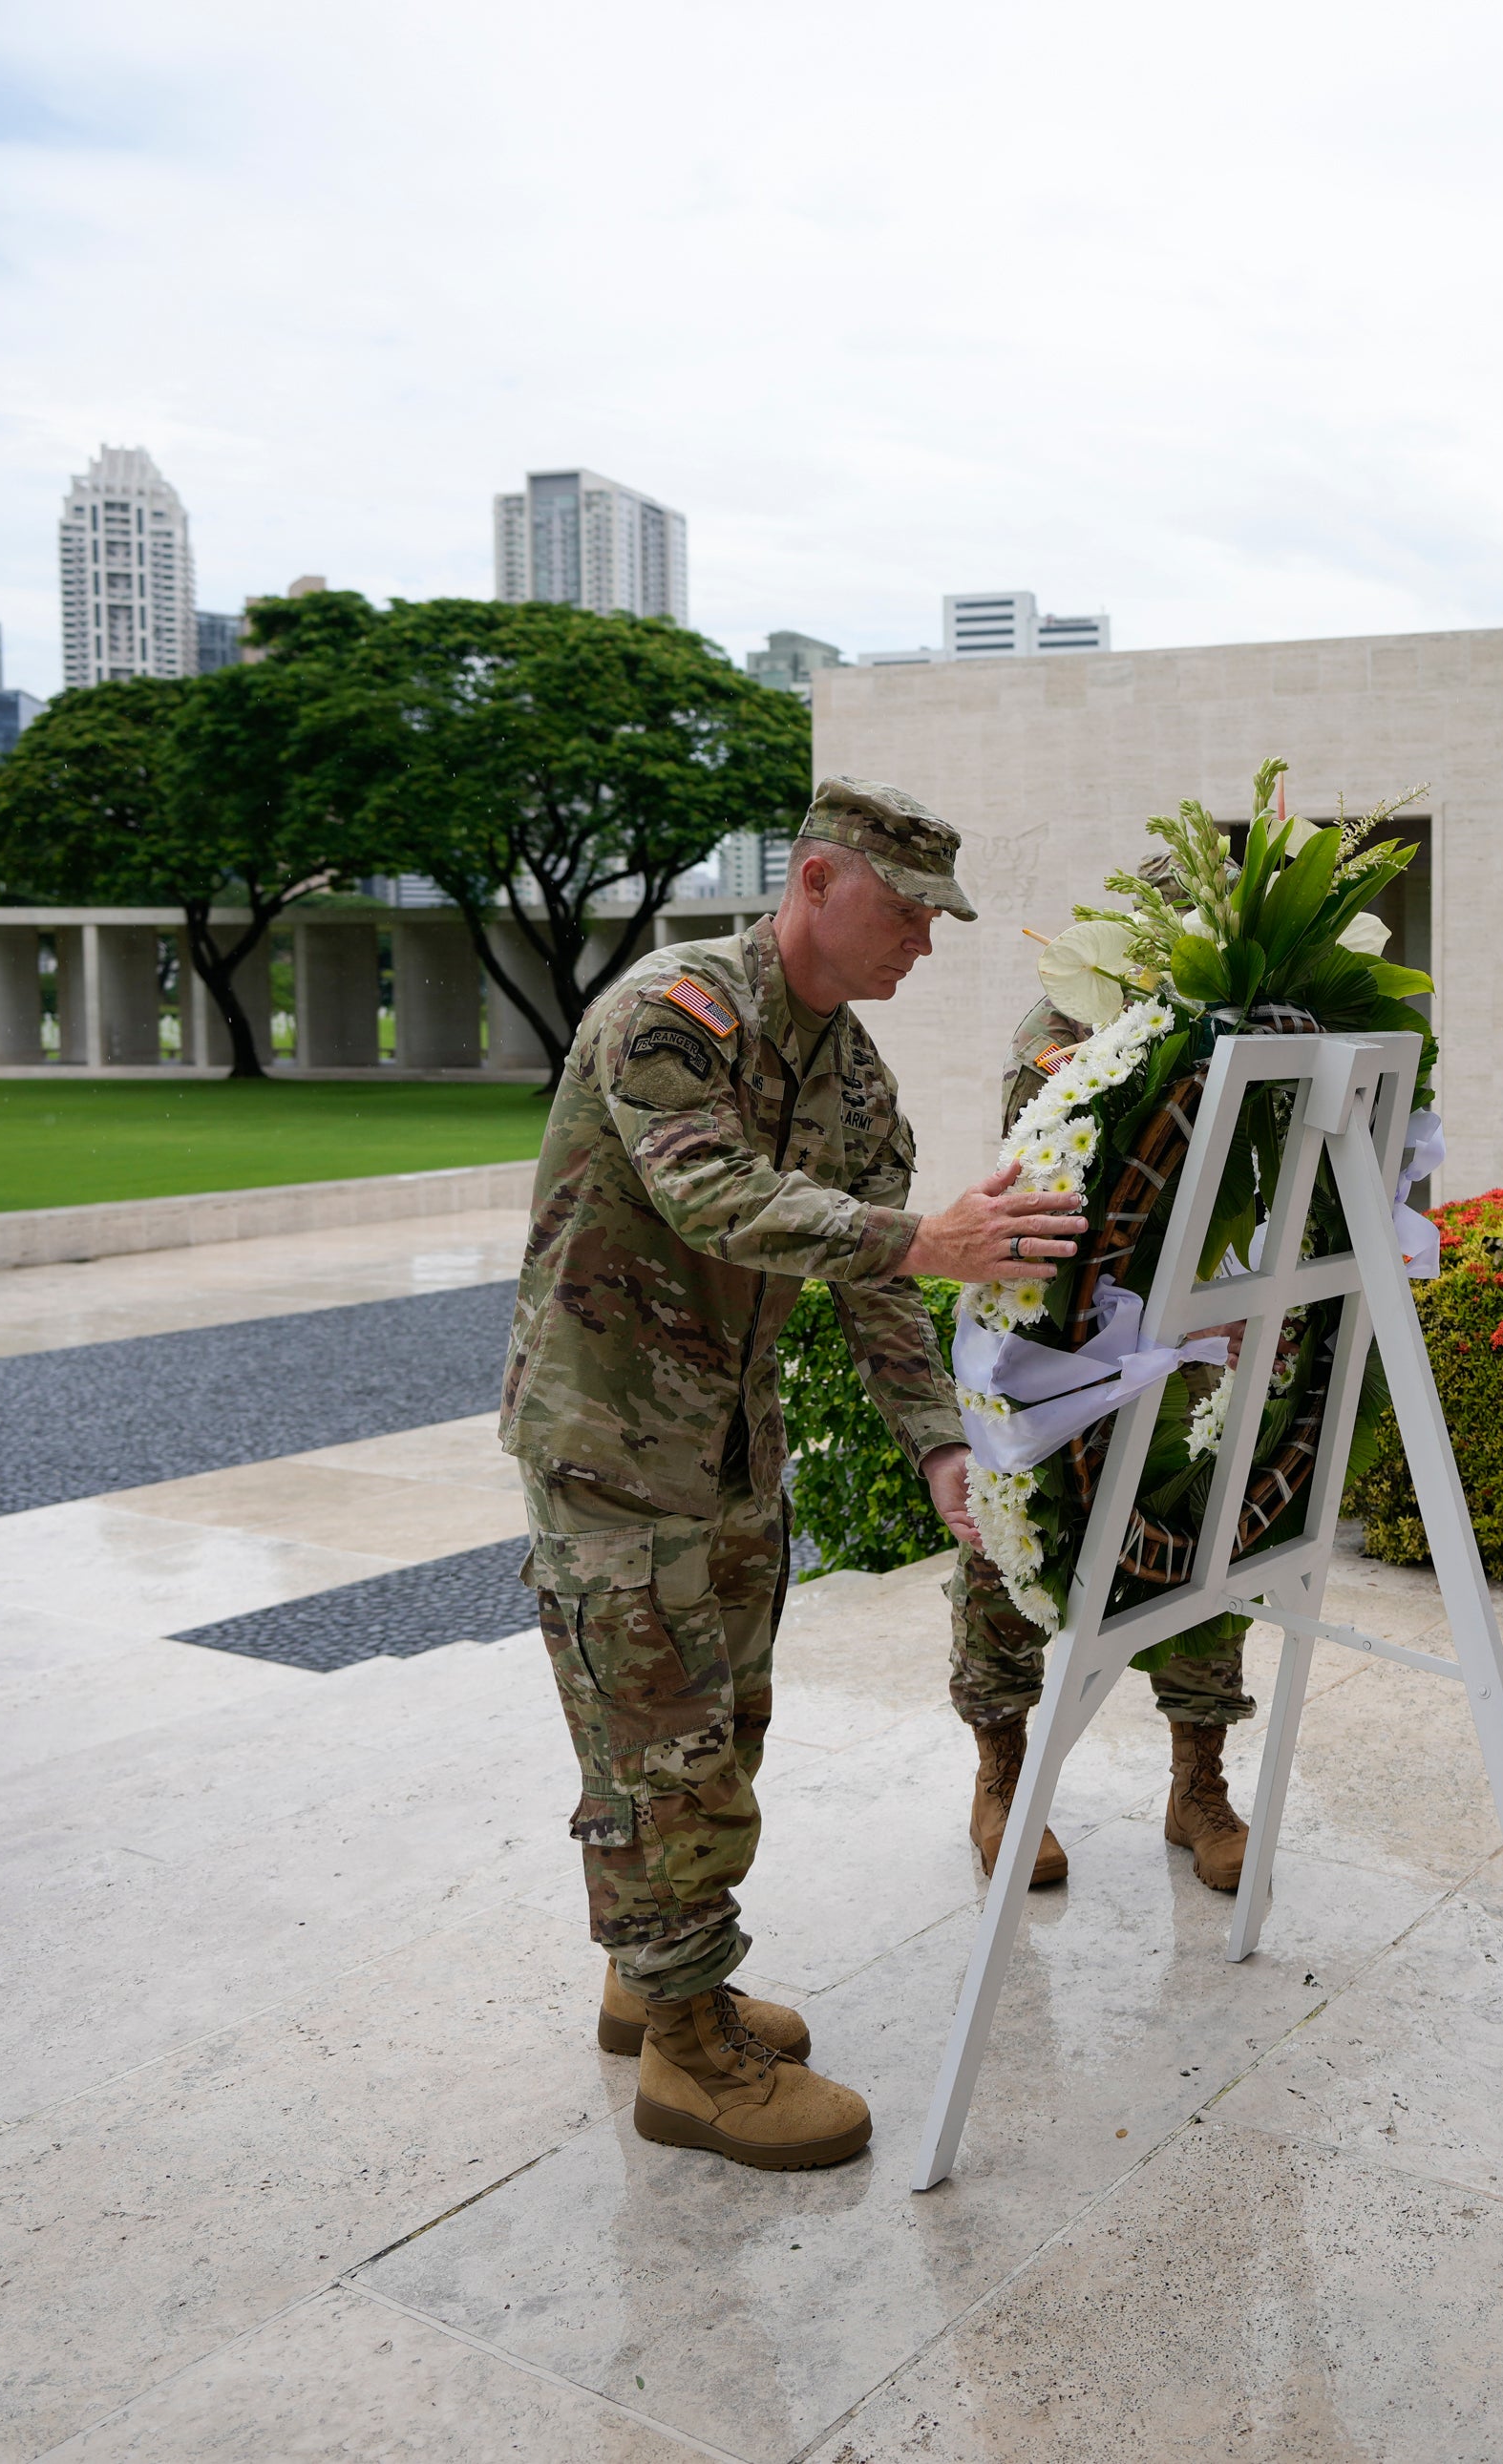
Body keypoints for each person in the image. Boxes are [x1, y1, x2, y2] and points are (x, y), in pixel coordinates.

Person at [499, 777, 1081, 2174]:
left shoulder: (856, 1074)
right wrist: (920, 1242)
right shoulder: (671, 1012)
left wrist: (941, 1443)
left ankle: (654, 1981)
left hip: (729, 1447)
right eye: (907, 911)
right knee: (659, 1754)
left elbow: (884, 1288)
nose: (924, 945)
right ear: (818, 881)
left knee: (725, 1728)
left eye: (940, 921)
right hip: (612, 1441)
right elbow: (716, 1195)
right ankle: (692, 2065)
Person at [950, 855, 1258, 1897]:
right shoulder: (1065, 1018)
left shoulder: (1244, 1020)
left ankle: (1197, 1787)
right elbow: (1046, 1145)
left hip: (1189, 1325)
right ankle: (1001, 1777)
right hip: (1063, 1323)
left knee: (1201, 1535)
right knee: (1011, 1546)